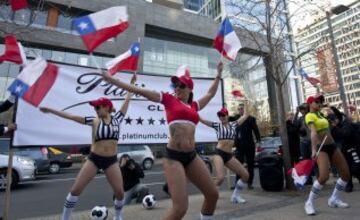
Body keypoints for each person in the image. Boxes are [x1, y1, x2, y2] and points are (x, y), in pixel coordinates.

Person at [102, 63, 223, 220]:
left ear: (190, 89)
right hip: (173, 157)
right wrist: (112, 80)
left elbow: (211, 93)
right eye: (176, 85)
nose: (177, 88)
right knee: (180, 208)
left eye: (182, 85)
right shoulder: (168, 99)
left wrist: (219, 73)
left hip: (192, 156)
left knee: (212, 194)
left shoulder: (194, 106)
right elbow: (140, 91)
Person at [40, 75, 136, 220]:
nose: (95, 110)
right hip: (94, 159)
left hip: (111, 160)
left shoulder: (117, 119)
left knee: (120, 192)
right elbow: (71, 116)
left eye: (98, 107)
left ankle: (118, 215)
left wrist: (132, 83)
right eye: (94, 107)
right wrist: (51, 110)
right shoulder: (94, 121)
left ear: (107, 107)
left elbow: (127, 100)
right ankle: (65, 217)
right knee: (76, 189)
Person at [304, 95, 350, 216]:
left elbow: (336, 122)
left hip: (332, 146)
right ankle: (309, 203)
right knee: (324, 177)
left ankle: (334, 199)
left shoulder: (321, 115)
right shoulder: (310, 116)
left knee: (345, 174)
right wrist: (313, 150)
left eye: (320, 102)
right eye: (316, 102)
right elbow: (313, 133)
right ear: (310, 104)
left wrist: (331, 112)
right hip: (321, 148)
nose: (319, 103)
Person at [199, 104, 250, 204]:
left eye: (223, 115)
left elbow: (246, 115)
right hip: (219, 153)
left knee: (245, 175)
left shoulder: (234, 124)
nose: (221, 117)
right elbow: (202, 120)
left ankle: (235, 196)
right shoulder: (217, 125)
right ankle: (209, 198)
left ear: (227, 116)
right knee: (221, 177)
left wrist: (245, 101)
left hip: (229, 155)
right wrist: (193, 109)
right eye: (220, 116)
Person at [328, 107, 360, 192]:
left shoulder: (346, 122)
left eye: (334, 118)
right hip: (344, 148)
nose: (333, 121)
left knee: (356, 168)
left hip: (354, 147)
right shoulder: (333, 125)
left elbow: (345, 134)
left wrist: (335, 127)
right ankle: (349, 184)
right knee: (346, 167)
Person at [229, 102, 261, 189]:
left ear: (245, 109)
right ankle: (237, 184)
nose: (240, 111)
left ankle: (250, 184)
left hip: (250, 145)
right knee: (238, 165)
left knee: (250, 164)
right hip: (239, 145)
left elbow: (256, 131)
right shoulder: (236, 118)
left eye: (241, 109)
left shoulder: (251, 119)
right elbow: (227, 119)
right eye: (239, 109)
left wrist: (258, 141)